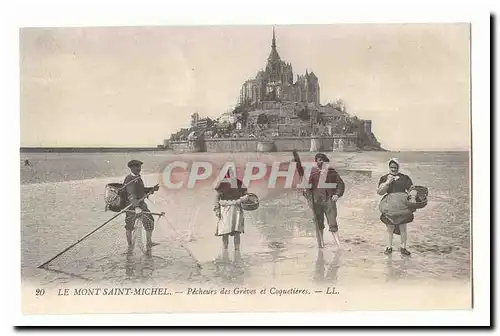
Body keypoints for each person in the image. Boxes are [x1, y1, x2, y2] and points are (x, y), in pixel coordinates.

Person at [303, 153, 345, 249]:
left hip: (329, 200)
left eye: (323, 160)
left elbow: (341, 185)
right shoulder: (313, 173)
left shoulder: (332, 172)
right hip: (316, 201)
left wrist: (337, 195)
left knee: (332, 222)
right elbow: (308, 188)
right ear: (316, 162)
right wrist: (307, 195)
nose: (320, 162)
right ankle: (321, 243)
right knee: (319, 222)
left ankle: (339, 244)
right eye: (318, 160)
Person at [377, 158, 414, 256]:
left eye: (395, 167)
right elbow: (380, 192)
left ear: (398, 167)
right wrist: (388, 182)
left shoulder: (405, 178)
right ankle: (389, 247)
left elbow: (411, 190)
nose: (393, 169)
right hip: (390, 206)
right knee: (390, 228)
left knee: (403, 227)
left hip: (402, 206)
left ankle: (403, 248)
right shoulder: (384, 178)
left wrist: (414, 196)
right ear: (389, 167)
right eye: (391, 167)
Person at [124, 159, 160, 248]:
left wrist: (151, 189)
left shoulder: (138, 177)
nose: (138, 169)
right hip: (131, 206)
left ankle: (149, 242)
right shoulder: (129, 179)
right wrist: (136, 207)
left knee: (150, 221)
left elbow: (141, 190)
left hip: (141, 204)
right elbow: (130, 194)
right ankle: (129, 245)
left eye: (139, 167)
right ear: (131, 168)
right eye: (136, 167)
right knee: (129, 226)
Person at [213, 169, 249, 252]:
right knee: (224, 231)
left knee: (237, 231)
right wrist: (217, 210)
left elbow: (246, 194)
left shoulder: (239, 183)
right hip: (225, 209)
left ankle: (237, 249)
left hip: (236, 209)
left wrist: (244, 199)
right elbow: (217, 197)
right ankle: (225, 249)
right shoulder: (222, 184)